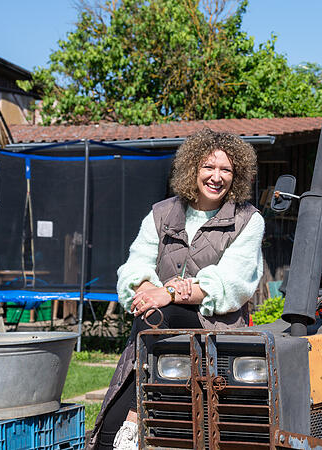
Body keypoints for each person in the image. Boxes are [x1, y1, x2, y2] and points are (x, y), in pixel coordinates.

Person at [87, 129, 265, 450]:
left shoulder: (247, 220)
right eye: (208, 167)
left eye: (226, 170)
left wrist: (169, 293)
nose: (216, 177)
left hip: (212, 330)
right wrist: (147, 291)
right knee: (106, 432)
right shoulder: (162, 213)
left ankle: (134, 417)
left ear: (236, 176)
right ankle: (125, 420)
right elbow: (136, 266)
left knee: (162, 312)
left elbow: (231, 283)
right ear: (192, 169)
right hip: (153, 328)